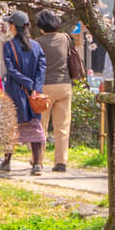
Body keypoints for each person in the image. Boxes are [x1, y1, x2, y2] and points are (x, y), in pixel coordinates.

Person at [0, 11, 46, 176]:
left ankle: (6, 161)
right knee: (34, 126)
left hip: (15, 92)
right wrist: (36, 88)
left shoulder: (8, 46)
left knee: (11, 127)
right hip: (33, 95)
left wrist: (27, 84)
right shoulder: (37, 46)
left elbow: (11, 70)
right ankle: (37, 163)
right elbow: (41, 69)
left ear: (13, 27)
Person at [35, 10, 80, 172]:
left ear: (41, 27)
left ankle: (38, 161)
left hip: (44, 87)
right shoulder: (66, 38)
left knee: (41, 126)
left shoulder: (37, 42)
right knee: (62, 126)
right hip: (64, 86)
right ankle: (61, 162)